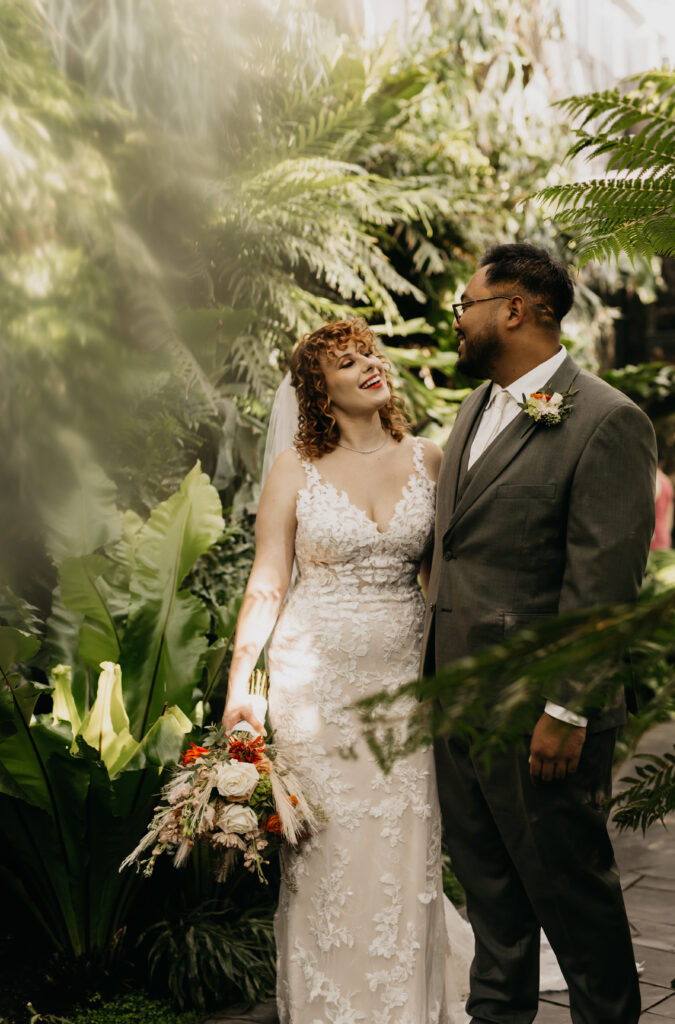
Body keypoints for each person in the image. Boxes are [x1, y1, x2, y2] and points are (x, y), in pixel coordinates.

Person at [421, 242, 657, 1024]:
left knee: (575, 906)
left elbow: (601, 587)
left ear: (515, 310)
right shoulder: (472, 408)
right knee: (493, 907)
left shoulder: (605, 420)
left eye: (466, 305)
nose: (457, 321)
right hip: (456, 706)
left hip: (539, 720)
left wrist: (567, 709)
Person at [222, 318, 472, 1023]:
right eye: (345, 361)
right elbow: (267, 580)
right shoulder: (293, 472)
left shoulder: (428, 459)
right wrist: (242, 688)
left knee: (401, 845)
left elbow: (443, 578)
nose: (368, 364)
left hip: (403, 682)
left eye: (368, 353)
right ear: (317, 389)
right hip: (313, 686)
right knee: (326, 857)